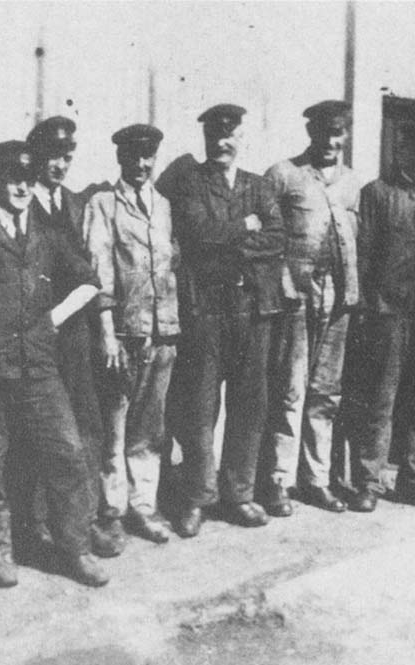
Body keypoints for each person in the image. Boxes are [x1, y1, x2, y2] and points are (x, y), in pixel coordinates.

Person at [0, 140, 109, 588]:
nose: (22, 188)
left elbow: (89, 281)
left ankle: (75, 548)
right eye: (14, 179)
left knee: (68, 455)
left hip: (39, 368)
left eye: (29, 181)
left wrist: (53, 318)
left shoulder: (47, 236)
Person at [156, 104, 287, 535]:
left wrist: (233, 240)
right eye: (215, 135)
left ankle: (240, 494)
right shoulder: (193, 183)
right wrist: (244, 228)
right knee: (201, 406)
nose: (222, 142)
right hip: (207, 309)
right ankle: (196, 497)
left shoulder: (259, 186)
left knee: (250, 404)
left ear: (241, 138)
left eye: (230, 135)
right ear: (206, 138)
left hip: (253, 308)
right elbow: (197, 233)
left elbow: (277, 238)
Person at [344, 123, 415, 510]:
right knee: (380, 397)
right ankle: (368, 482)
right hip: (388, 313)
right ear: (401, 152)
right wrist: (365, 306)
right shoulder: (378, 194)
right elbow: (363, 253)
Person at [261, 100, 362, 515]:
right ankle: (278, 481)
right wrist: (285, 282)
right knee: (291, 389)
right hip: (297, 297)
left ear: (345, 136)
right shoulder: (284, 175)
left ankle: (316, 480)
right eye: (323, 133)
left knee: (325, 393)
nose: (330, 142)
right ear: (311, 134)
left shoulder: (353, 183)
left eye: (338, 133)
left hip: (337, 298)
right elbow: (268, 239)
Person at [26, 116, 119, 558]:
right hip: (40, 332)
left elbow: (94, 267)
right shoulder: (23, 203)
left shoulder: (78, 205)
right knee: (43, 430)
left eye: (66, 157)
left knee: (87, 424)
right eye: (51, 156)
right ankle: (40, 525)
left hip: (76, 332)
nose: (59, 165)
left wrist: (101, 325)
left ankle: (84, 520)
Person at [85, 124, 178, 545]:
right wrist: (107, 331)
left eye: (148, 157)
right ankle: (111, 510)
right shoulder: (104, 203)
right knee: (115, 425)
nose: (142, 165)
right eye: (134, 156)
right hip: (124, 332)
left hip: (163, 331)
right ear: (120, 158)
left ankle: (144, 506)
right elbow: (99, 268)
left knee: (149, 428)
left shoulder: (163, 205)